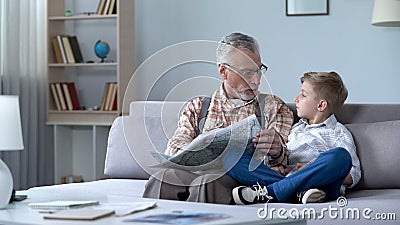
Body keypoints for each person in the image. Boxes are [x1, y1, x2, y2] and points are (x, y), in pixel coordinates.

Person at [142, 32, 294, 204]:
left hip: (237, 177)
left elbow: (288, 162)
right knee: (164, 176)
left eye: (259, 70)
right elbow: (175, 149)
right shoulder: (197, 107)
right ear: (223, 71)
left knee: (207, 182)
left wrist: (278, 151)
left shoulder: (273, 107)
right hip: (195, 170)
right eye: (247, 72)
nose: (256, 80)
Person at [224, 71, 361, 204]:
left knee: (341, 156)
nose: (296, 98)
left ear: (321, 105)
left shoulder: (338, 133)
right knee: (231, 156)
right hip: (287, 178)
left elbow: (353, 175)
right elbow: (285, 157)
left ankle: (271, 192)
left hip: (322, 185)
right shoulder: (296, 128)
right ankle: (295, 193)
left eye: (303, 95)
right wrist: (279, 165)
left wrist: (311, 169)